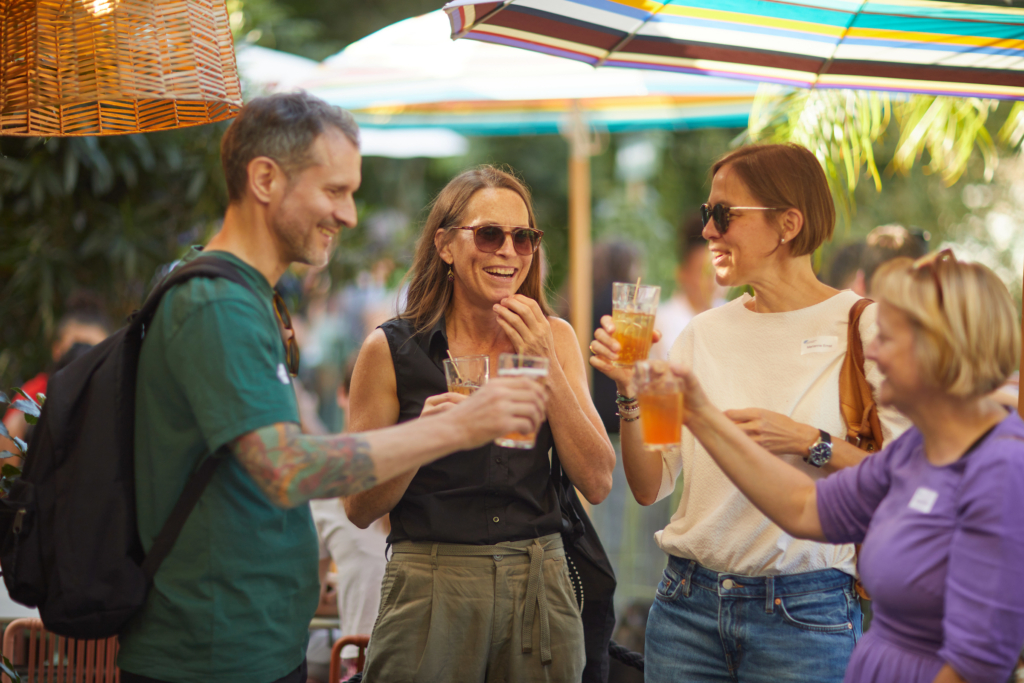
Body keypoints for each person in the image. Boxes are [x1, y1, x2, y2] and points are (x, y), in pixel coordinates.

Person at [117, 93, 548, 683]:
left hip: (251, 641)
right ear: (265, 179)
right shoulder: (216, 305)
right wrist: (450, 428)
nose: (348, 214)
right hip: (210, 650)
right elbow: (287, 467)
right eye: (334, 191)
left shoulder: (247, 297)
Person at [589, 143, 910, 682]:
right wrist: (630, 394)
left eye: (723, 214)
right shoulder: (700, 335)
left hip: (806, 615)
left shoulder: (863, 327)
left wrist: (811, 441)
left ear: (788, 223)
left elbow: (911, 475)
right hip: (686, 606)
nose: (708, 231)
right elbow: (651, 485)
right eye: (705, 215)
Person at [669, 250, 1024, 683]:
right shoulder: (916, 449)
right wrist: (701, 415)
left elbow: (976, 665)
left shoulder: (1001, 468)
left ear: (937, 348)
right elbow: (804, 507)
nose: (872, 350)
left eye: (887, 338)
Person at [345, 165, 616, 682]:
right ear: (445, 245)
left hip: (539, 580)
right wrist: (419, 441)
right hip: (430, 581)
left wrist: (546, 364)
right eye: (490, 234)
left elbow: (599, 480)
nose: (508, 252)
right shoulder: (390, 350)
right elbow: (358, 507)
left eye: (523, 237)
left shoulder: (552, 337)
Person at [1, 293, 111, 446]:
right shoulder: (36, 392)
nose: (84, 356)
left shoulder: (112, 392)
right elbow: (7, 447)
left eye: (94, 350)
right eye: (77, 347)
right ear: (57, 350)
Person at [648, 214, 719, 361]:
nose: (712, 281)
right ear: (682, 274)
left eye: (715, 270)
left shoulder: (732, 314)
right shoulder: (662, 322)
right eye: (703, 272)